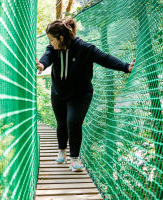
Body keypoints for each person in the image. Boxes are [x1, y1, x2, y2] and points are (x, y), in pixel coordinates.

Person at [36, 19, 135, 172]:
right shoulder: (53, 48)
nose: (50, 43)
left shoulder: (84, 48)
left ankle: (74, 159)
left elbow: (105, 58)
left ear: (61, 39)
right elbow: (47, 56)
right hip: (58, 92)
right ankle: (62, 150)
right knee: (61, 123)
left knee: (73, 122)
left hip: (79, 94)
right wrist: (42, 65)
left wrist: (126, 67)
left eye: (52, 40)